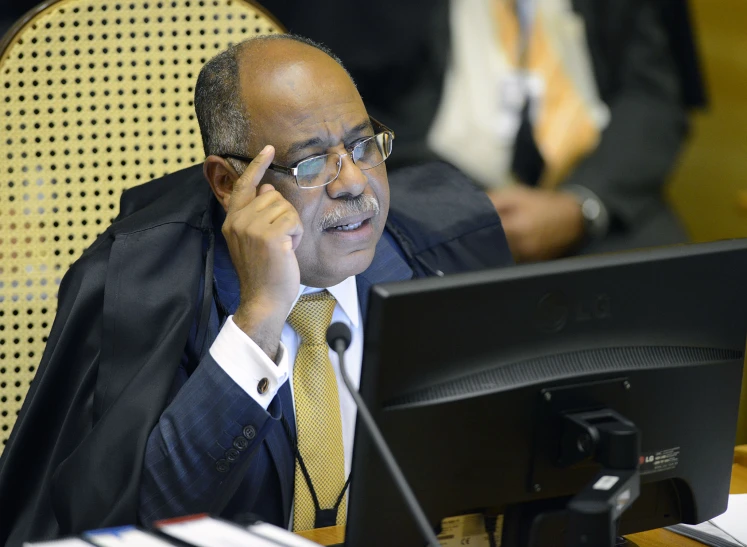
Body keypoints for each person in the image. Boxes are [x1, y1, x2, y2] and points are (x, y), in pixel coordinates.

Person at [0, 35, 513, 545]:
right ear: (227, 183)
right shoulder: (140, 288)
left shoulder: (443, 251)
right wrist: (258, 319)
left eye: (362, 145)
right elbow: (126, 524)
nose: (354, 182)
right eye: (311, 163)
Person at [265, 0, 702, 263]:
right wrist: (459, 203)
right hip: (430, 182)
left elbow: (652, 97)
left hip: (596, 188)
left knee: (674, 284)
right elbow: (348, 102)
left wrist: (581, 204)